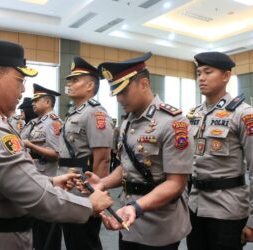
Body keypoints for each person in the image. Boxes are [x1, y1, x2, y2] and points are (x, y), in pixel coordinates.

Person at [0, 39, 113, 250]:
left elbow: (102, 157)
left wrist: (52, 183)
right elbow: (35, 195)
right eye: (20, 80)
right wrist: (90, 205)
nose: (23, 89)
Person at [85, 52, 194, 250]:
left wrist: (136, 208)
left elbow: (176, 184)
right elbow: (127, 166)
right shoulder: (128, 122)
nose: (118, 99)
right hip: (128, 219)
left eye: (123, 91)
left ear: (143, 84)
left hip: (159, 225)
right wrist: (103, 182)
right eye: (115, 93)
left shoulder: (173, 122)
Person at [186, 51, 253, 250]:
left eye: (208, 72)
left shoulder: (243, 114)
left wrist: (252, 220)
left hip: (227, 208)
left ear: (226, 76)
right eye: (199, 73)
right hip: (195, 206)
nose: (201, 78)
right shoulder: (195, 114)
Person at [58, 56, 113, 250]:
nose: (70, 84)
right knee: (73, 240)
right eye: (69, 80)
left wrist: (95, 193)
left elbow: (103, 159)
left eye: (75, 80)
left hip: (84, 189)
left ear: (90, 86)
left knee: (84, 242)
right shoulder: (75, 112)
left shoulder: (96, 113)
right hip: (69, 186)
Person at [22, 83, 62, 250]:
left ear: (47, 102)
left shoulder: (52, 123)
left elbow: (56, 153)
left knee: (47, 227)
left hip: (47, 176)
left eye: (37, 100)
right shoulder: (35, 123)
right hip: (35, 176)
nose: (33, 103)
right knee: (37, 227)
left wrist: (31, 146)